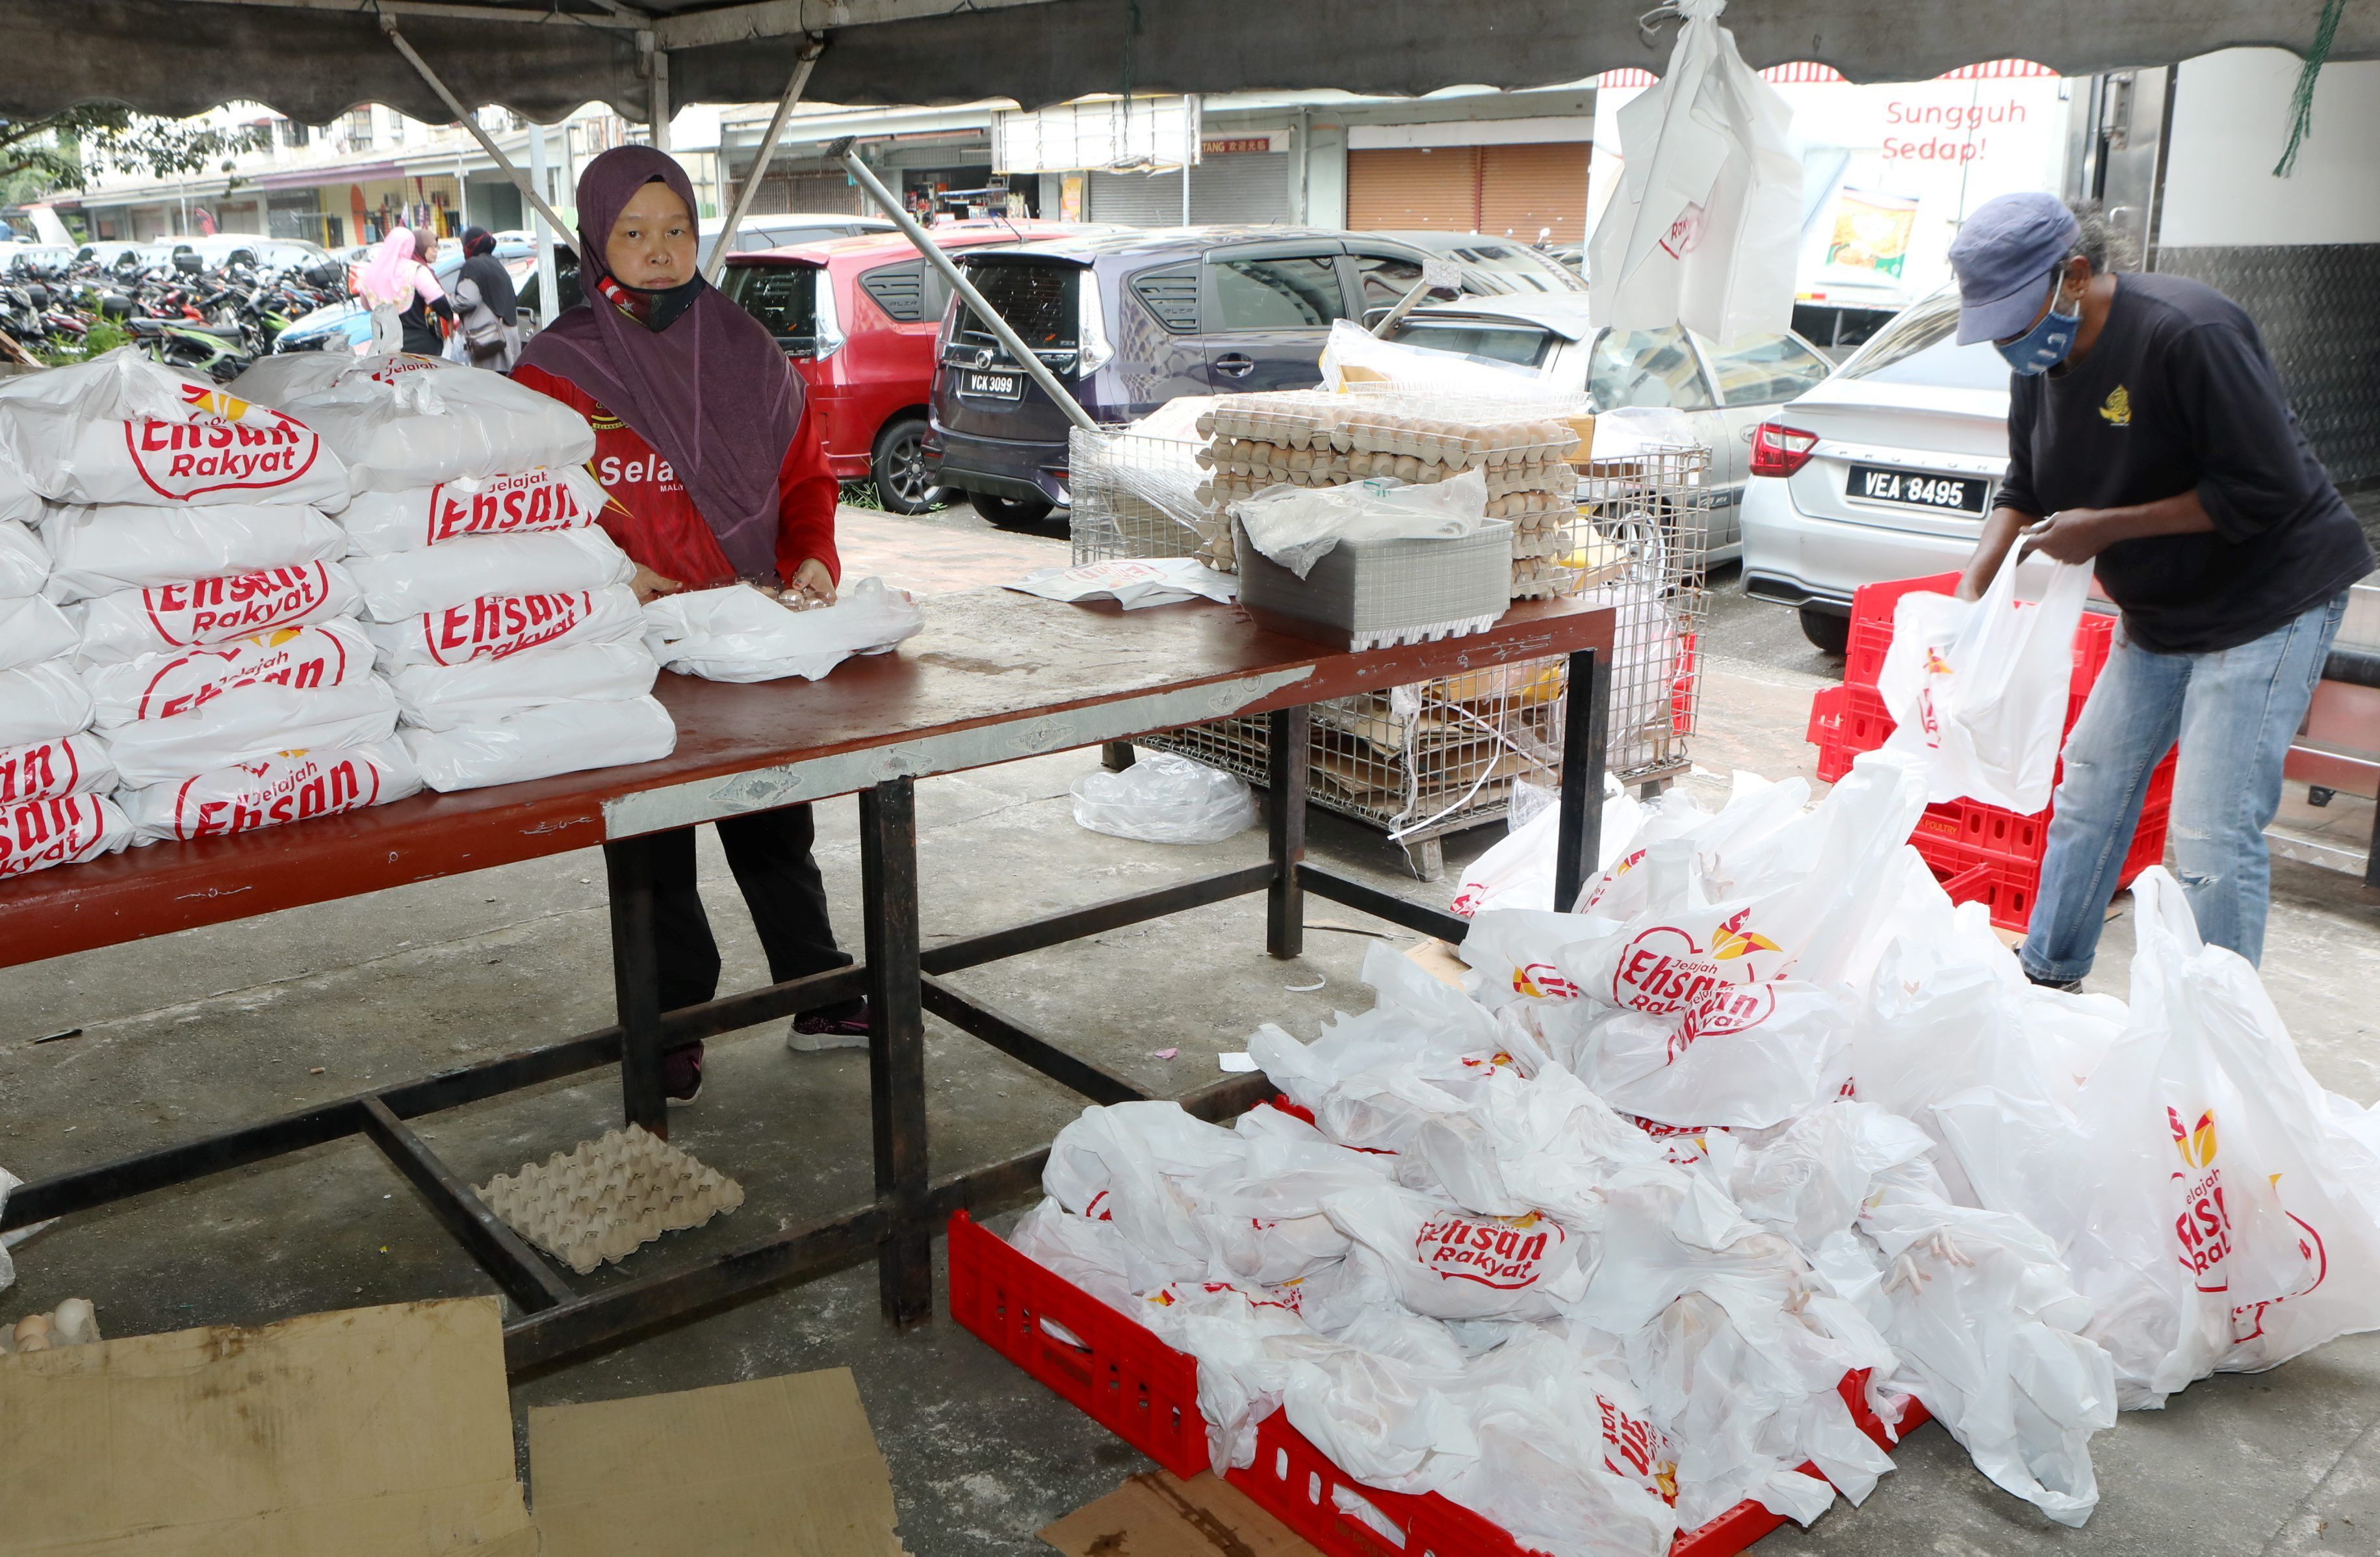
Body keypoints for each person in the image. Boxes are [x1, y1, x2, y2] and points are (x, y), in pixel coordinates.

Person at [1945, 193, 2373, 986]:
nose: (2007, 341)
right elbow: (2023, 484)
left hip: (2266, 600)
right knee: (2091, 789)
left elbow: (2263, 489)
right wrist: (1970, 592)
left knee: (2211, 832)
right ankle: (2045, 974)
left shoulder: (2186, 331)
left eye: (2015, 319)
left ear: (2073, 275)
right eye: (1994, 327)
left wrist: (2103, 527)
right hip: (2159, 614)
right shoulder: (2039, 363)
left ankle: (2220, 1030)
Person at [512, 144, 865, 1103]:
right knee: (652, 847)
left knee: (775, 819)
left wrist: (811, 559)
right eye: (634, 233)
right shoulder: (556, 371)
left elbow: (805, 481)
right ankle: (673, 1022)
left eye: (676, 231)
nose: (659, 252)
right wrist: (616, 573)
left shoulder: (746, 351)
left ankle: (820, 987)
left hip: (745, 632)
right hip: (622, 641)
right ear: (597, 241)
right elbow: (525, 504)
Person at [356, 226, 452, 356]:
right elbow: (439, 300)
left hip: (387, 350)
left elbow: (366, 306)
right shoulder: (415, 270)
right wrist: (450, 320)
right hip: (421, 347)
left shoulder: (368, 274)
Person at [450, 226, 522, 371]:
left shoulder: (472, 265)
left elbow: (468, 299)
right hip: (508, 340)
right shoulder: (496, 264)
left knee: (489, 389)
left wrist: (451, 301)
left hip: (489, 342)